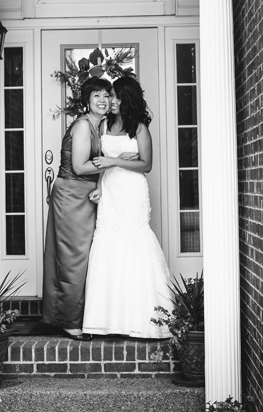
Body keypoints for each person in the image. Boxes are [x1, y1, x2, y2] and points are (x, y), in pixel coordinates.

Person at [82, 76, 173, 339]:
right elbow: (101, 162)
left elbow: (146, 164)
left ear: (126, 98)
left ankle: (144, 320)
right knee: (109, 244)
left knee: (134, 243)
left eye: (114, 97)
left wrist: (114, 161)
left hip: (132, 193)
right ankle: (107, 321)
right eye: (109, 96)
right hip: (110, 192)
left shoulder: (140, 128)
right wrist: (100, 184)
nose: (110, 101)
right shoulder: (104, 125)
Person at [42, 77, 112, 341]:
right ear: (87, 100)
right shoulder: (83, 126)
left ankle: (82, 314)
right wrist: (115, 163)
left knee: (86, 257)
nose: (102, 100)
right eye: (96, 95)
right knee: (72, 257)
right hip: (72, 192)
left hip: (85, 194)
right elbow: (82, 167)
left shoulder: (99, 126)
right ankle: (68, 320)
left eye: (106, 95)